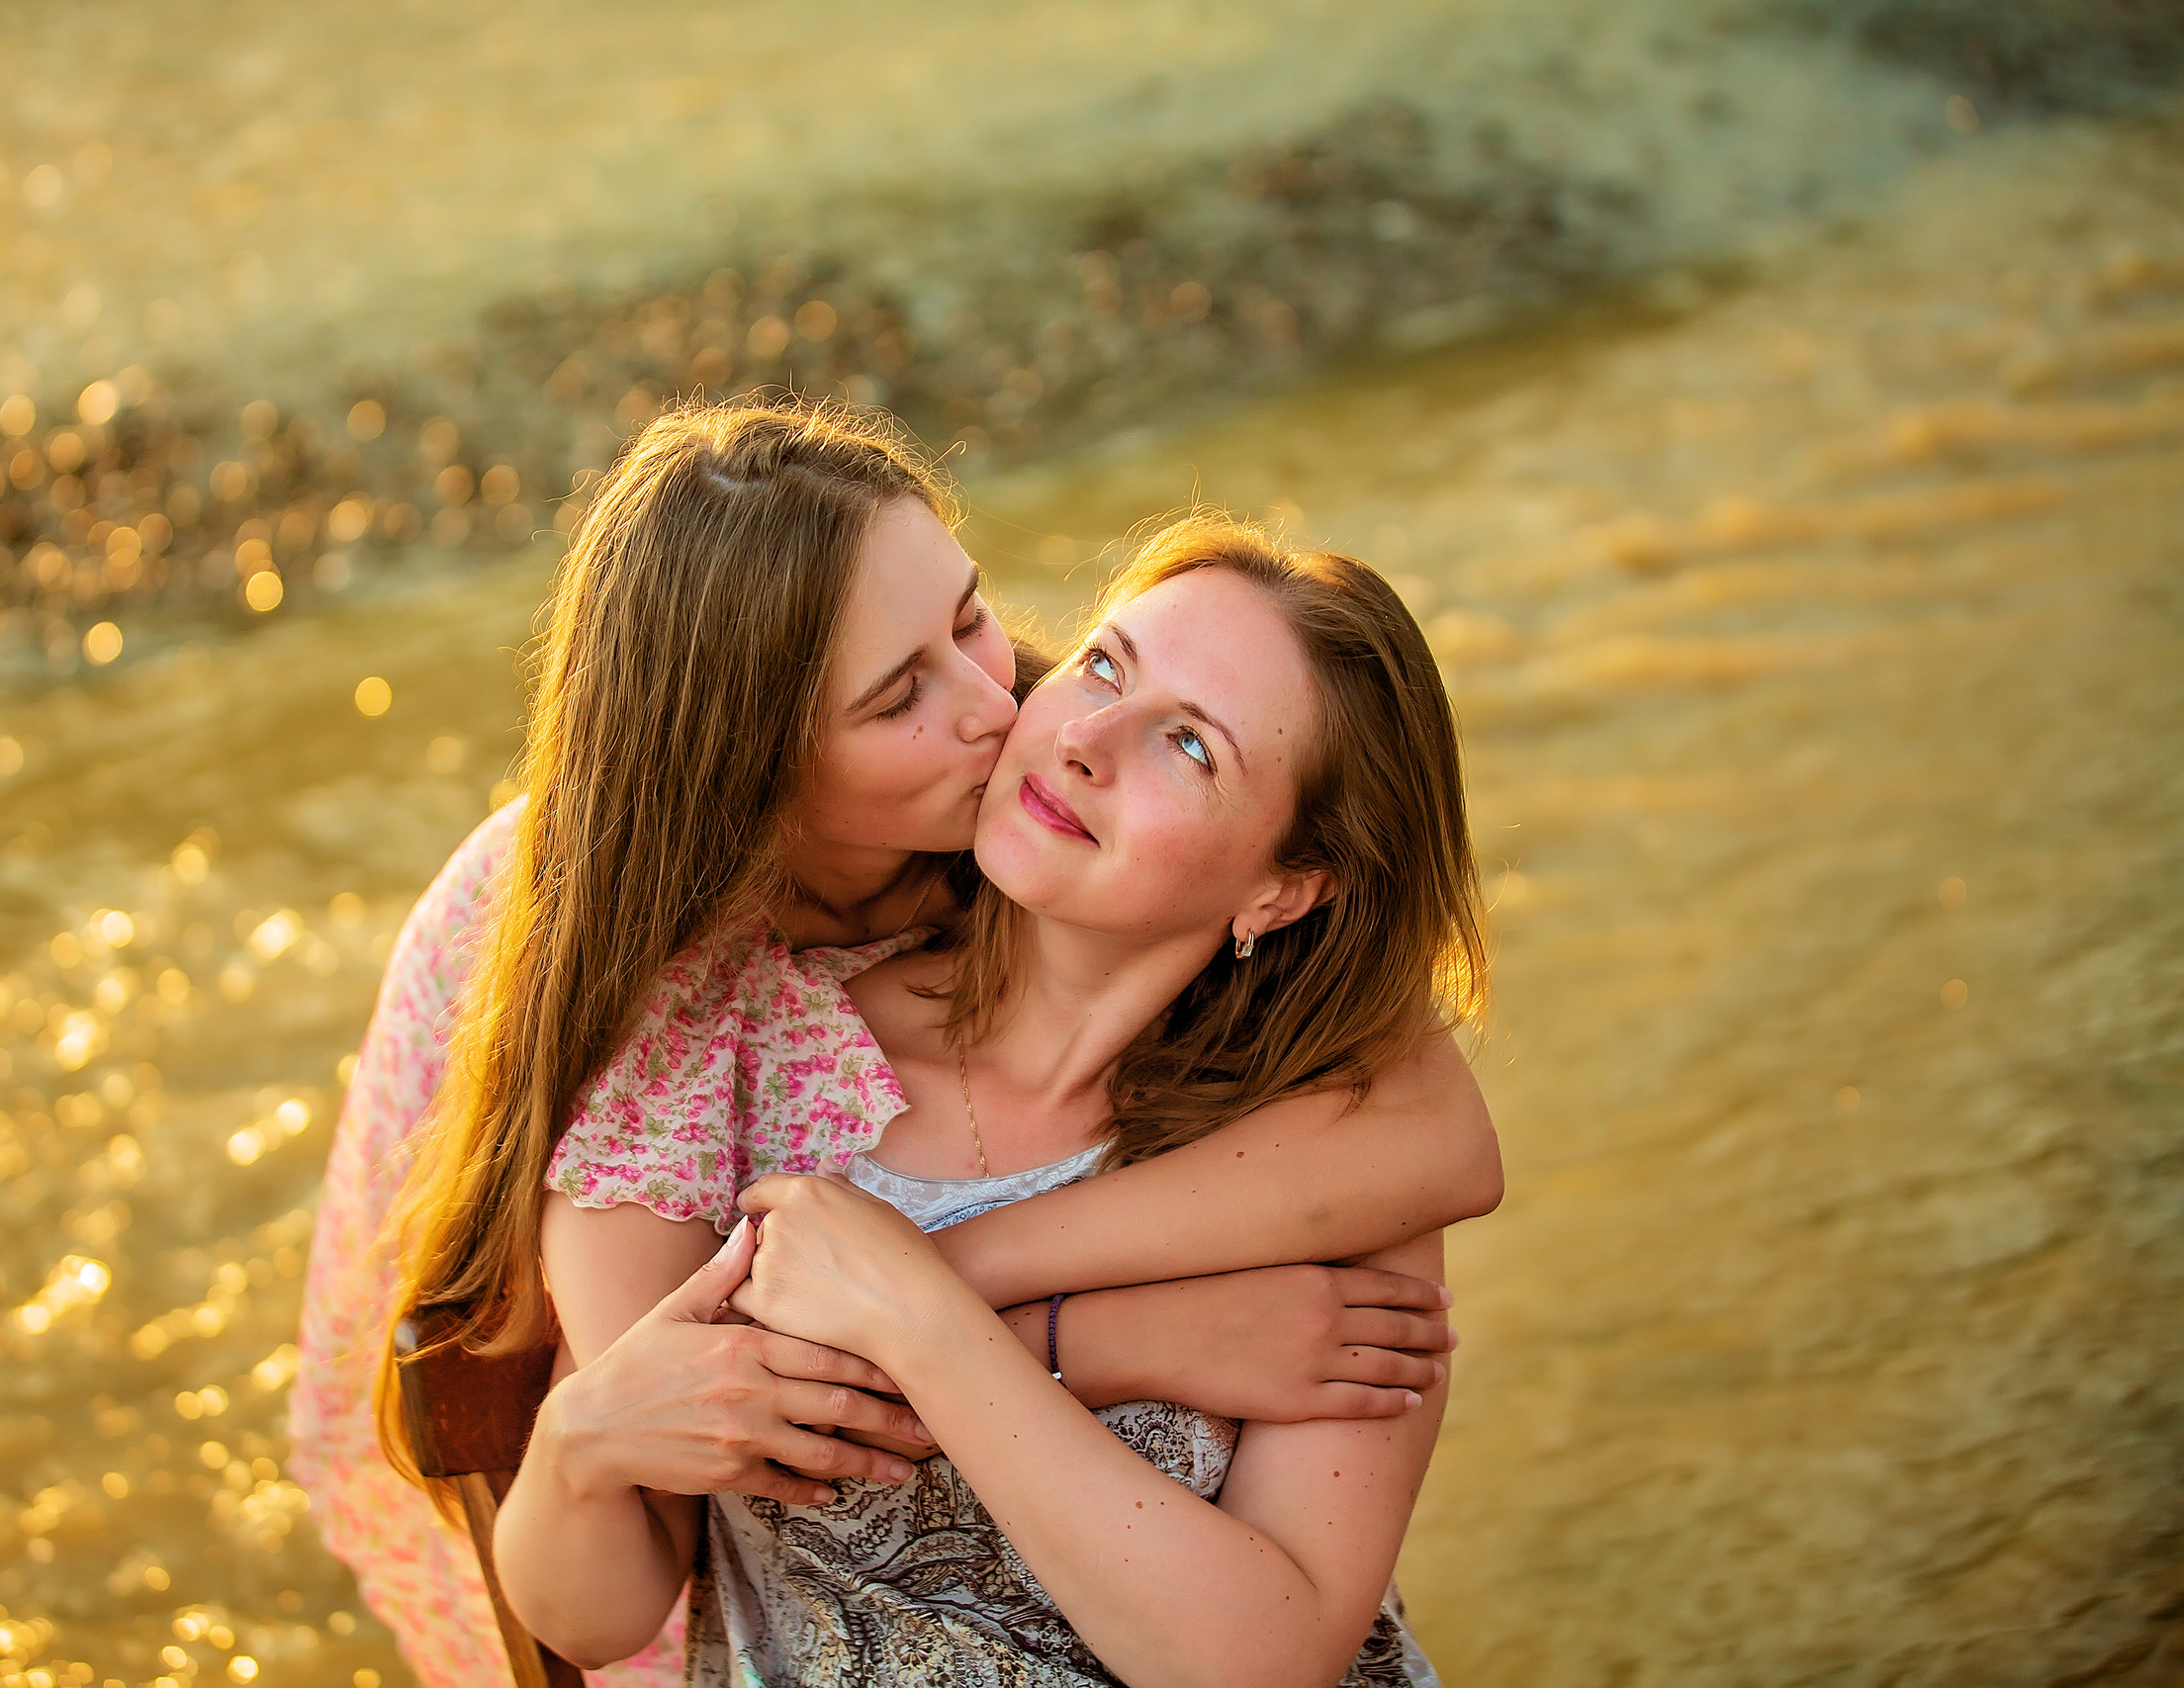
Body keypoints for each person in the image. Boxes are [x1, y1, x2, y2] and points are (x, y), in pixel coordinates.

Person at [290, 400, 1496, 1685]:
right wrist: (1099, 1339)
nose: (1015, 710)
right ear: (754, 780)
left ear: (1285, 887)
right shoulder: (700, 1042)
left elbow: (1446, 1146)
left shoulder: (1313, 1127)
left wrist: (929, 1277)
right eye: (1105, 668)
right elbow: (645, 1511)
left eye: (1188, 742)